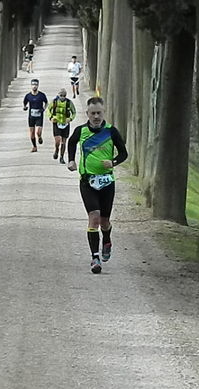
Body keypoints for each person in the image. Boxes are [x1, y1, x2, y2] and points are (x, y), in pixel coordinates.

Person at [67, 97, 128, 274]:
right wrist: (71, 160)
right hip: (87, 182)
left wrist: (114, 162)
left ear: (103, 113)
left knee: (104, 221)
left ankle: (107, 239)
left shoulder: (111, 132)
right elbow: (71, 143)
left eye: (99, 113)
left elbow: (124, 154)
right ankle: (95, 257)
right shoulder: (81, 131)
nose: (96, 117)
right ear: (87, 114)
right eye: (92, 113)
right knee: (94, 218)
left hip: (107, 182)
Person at [47, 88, 76, 164]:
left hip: (65, 124)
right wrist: (51, 118)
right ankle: (56, 150)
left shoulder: (69, 103)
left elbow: (74, 112)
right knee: (57, 141)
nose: (62, 97)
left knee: (63, 142)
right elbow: (48, 110)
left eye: (64, 95)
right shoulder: (54, 102)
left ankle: (61, 157)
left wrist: (70, 119)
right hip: (56, 123)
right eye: (61, 95)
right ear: (58, 95)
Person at [23, 79, 48, 152]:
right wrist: (25, 107)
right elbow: (25, 103)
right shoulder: (28, 96)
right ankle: (34, 146)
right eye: (33, 85)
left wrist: (43, 109)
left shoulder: (41, 95)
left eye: (36, 85)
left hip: (39, 115)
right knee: (32, 133)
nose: (34, 86)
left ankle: (39, 137)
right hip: (31, 116)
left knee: (38, 132)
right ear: (31, 86)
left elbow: (46, 103)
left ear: (38, 85)